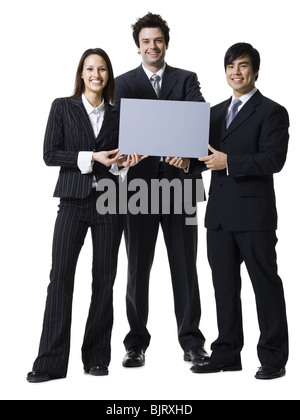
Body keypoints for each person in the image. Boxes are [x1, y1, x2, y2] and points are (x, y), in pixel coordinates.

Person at [27, 48, 144, 382]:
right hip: (73, 202)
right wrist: (92, 157)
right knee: (60, 279)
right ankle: (49, 363)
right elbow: (51, 154)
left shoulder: (120, 114)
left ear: (108, 76)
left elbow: (119, 162)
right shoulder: (62, 107)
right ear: (81, 73)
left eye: (103, 69)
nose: (96, 75)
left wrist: (124, 164)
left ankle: (96, 357)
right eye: (90, 69)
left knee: (104, 280)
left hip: (110, 201)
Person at [114, 12, 209, 368]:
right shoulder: (122, 84)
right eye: (145, 41)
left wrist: (185, 154)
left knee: (185, 265)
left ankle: (191, 341)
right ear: (138, 46)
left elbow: (197, 118)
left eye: (157, 40)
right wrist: (124, 156)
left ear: (165, 43)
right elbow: (118, 130)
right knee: (137, 266)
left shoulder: (187, 80)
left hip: (180, 184)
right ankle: (135, 342)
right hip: (138, 186)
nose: (152, 46)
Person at [190, 42, 289, 379]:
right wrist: (182, 161)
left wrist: (228, 162)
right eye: (231, 66)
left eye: (243, 66)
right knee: (224, 286)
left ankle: (273, 358)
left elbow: (273, 160)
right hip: (219, 217)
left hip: (254, 218)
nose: (236, 72)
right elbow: (199, 158)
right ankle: (227, 353)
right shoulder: (214, 113)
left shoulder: (272, 111)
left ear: (255, 71)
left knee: (265, 285)